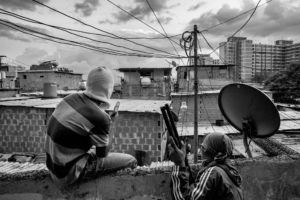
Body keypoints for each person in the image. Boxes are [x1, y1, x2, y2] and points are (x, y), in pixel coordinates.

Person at [45, 66, 137, 186]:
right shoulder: (101, 118)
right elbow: (102, 154)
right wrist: (112, 123)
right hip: (67, 175)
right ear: (108, 89)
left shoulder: (69, 99)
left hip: (53, 168)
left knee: (94, 147)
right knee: (131, 160)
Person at [168, 132, 243, 200]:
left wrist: (179, 163)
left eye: (203, 148)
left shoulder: (213, 172)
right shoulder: (230, 172)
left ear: (212, 152)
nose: (201, 152)